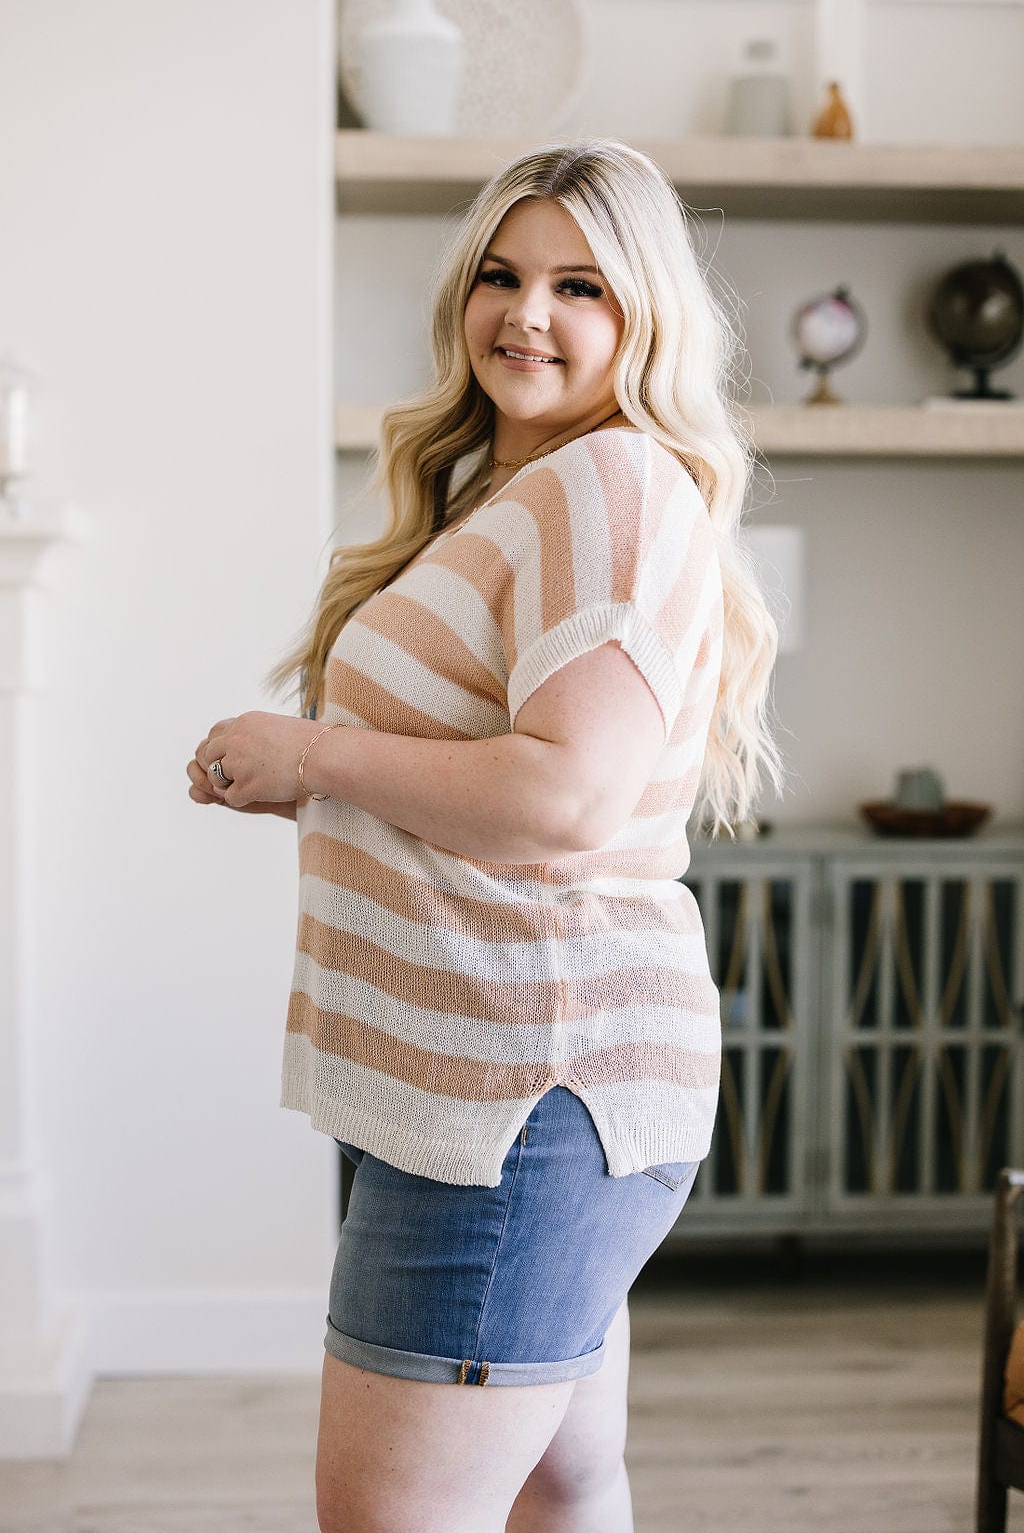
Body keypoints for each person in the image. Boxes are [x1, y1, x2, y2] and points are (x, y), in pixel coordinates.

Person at [187, 139, 783, 1533]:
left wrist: (315, 751)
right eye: (502, 277)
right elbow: (499, 771)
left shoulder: (613, 484)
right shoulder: (513, 498)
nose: (530, 313)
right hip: (502, 1076)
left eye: (583, 286)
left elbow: (568, 796)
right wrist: (326, 784)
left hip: (517, 1089)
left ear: (645, 321)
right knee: (565, 1488)